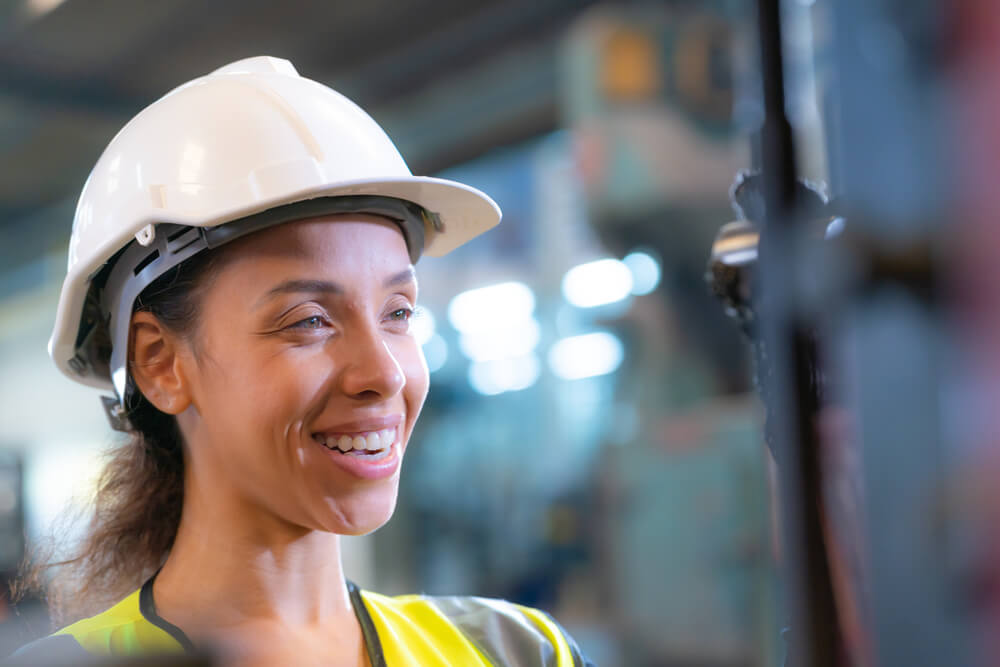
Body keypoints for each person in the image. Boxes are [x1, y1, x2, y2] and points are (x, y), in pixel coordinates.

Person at [8, 56, 593, 666]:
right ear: (161, 363)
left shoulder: (516, 650)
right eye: (310, 321)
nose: (385, 374)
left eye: (398, 312)